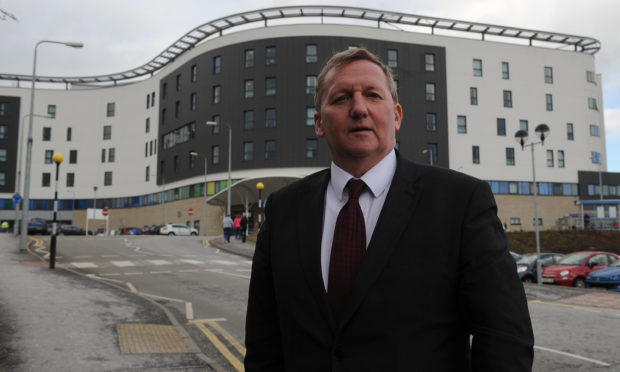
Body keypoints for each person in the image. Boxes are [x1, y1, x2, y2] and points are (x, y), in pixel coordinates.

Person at [245, 47, 534, 371]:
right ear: (318, 123)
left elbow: (505, 338)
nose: (359, 108)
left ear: (396, 115)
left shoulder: (461, 202)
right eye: (341, 98)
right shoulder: (284, 209)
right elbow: (263, 343)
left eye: (372, 95)